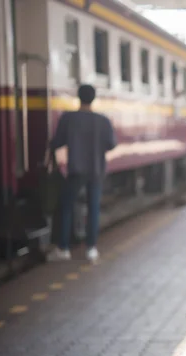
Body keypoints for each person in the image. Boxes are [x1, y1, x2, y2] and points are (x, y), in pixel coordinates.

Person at [48, 84, 116, 262]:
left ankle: (63, 248)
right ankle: (91, 249)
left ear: (78, 97)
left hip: (76, 169)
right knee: (93, 208)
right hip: (96, 169)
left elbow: (57, 142)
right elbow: (111, 144)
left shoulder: (68, 118)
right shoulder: (103, 120)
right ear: (93, 99)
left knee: (67, 206)